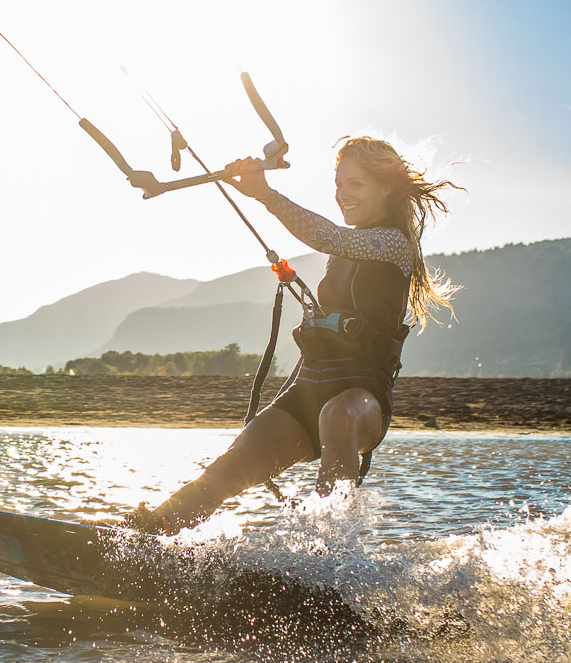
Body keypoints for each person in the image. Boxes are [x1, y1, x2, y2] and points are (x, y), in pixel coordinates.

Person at [128, 136, 460, 534]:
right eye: (338, 184)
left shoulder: (392, 243)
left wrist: (265, 194)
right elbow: (336, 244)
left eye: (355, 184)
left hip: (361, 402)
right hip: (309, 389)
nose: (342, 195)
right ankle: (148, 535)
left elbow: (331, 237)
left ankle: (328, 552)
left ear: (386, 187)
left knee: (336, 415)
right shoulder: (349, 248)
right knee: (230, 466)